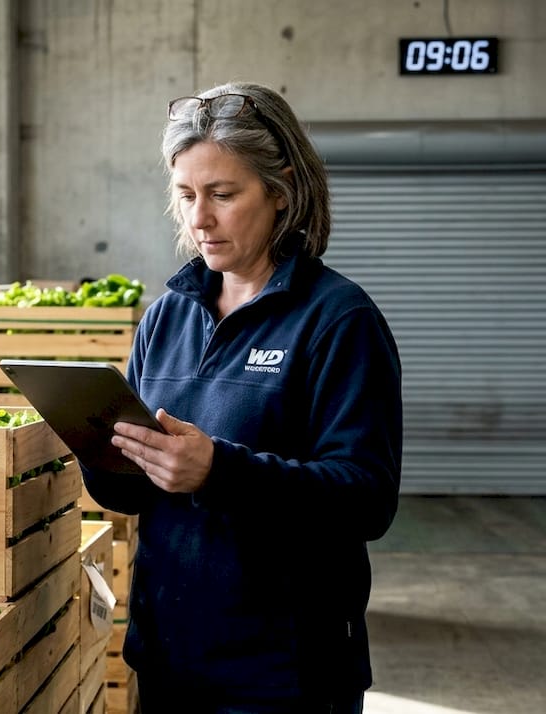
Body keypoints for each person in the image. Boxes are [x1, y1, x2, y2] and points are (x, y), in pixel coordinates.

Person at [81, 81, 403, 714]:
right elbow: (136, 494)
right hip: (169, 660)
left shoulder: (338, 320)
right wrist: (98, 446)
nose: (199, 218)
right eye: (186, 195)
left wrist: (218, 471)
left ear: (282, 192)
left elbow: (367, 500)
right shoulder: (167, 317)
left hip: (286, 675)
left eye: (223, 195)